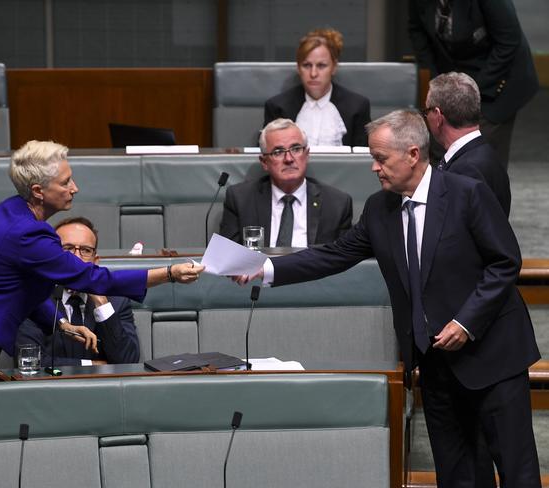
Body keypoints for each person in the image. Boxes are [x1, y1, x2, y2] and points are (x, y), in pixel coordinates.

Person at [235, 110, 541, 487]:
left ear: (413, 154)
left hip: (492, 356)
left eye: (381, 158)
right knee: (457, 475)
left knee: (516, 472)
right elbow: (333, 254)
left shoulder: (467, 193)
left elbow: (505, 263)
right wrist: (265, 269)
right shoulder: (381, 209)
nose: (374, 168)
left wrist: (466, 322)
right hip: (436, 364)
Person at [0, 140, 203, 386]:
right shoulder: (28, 234)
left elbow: (20, 284)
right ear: (39, 190)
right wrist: (170, 273)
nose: (74, 188)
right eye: (65, 183)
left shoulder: (10, 209)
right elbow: (96, 280)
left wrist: (62, 324)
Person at [408, 0, 539, 170]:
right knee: (440, 152)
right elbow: (417, 31)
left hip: (498, 79)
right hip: (453, 81)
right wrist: (436, 82)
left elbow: (508, 41)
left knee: (481, 158)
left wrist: (470, 91)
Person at [16, 217, 139, 366]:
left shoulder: (116, 302)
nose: (76, 257)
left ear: (95, 261)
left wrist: (101, 301)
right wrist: (91, 365)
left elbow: (128, 361)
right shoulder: (33, 298)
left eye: (86, 250)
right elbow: (30, 362)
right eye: (67, 249)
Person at [219, 118, 352, 247]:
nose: (289, 159)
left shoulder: (337, 204)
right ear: (264, 162)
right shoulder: (240, 199)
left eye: (296, 149)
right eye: (278, 152)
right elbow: (226, 257)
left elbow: (345, 260)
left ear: (307, 155)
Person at [264, 28, 371, 147]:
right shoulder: (277, 107)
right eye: (306, 65)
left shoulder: (357, 107)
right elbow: (268, 155)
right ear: (298, 68)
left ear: (334, 67)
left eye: (321, 65)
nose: (313, 73)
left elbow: (363, 158)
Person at [424, 71, 511, 216]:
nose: (426, 117)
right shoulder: (486, 155)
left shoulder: (465, 171)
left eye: (427, 111)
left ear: (438, 117)